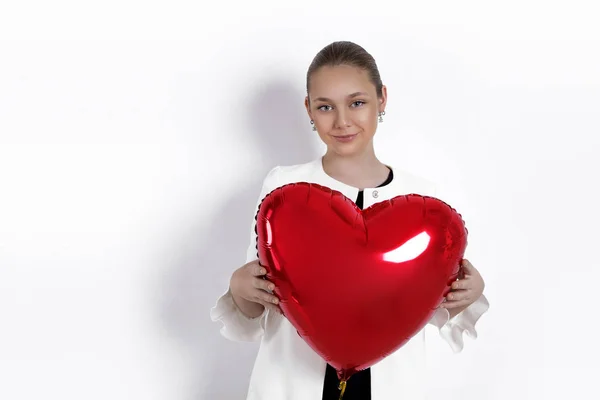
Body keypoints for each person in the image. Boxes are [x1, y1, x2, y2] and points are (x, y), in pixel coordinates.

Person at [210, 41, 489, 400]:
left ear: (382, 99)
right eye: (326, 107)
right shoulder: (283, 189)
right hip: (292, 385)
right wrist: (239, 287)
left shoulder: (428, 203)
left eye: (357, 103)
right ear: (309, 109)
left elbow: (436, 307)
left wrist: (470, 292)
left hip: (390, 384)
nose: (342, 121)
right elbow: (259, 303)